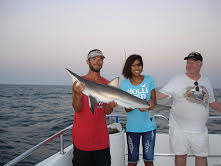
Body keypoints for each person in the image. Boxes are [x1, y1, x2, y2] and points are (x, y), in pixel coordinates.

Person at [156, 51, 221, 166]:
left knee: (201, 157)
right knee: (180, 155)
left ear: (200, 65)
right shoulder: (177, 79)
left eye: (193, 63)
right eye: (188, 62)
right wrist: (142, 94)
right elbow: (160, 95)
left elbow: (212, 102)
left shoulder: (206, 81)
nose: (189, 65)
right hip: (179, 129)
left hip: (200, 130)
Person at [71, 49, 118, 166]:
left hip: (101, 141)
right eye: (94, 58)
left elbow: (106, 111)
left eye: (100, 59)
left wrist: (111, 105)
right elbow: (77, 108)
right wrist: (77, 94)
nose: (98, 61)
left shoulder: (107, 84)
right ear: (87, 61)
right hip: (82, 141)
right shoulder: (79, 83)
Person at [120, 54, 156, 166]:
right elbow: (126, 109)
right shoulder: (124, 84)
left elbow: (154, 100)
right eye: (133, 65)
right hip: (132, 128)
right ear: (129, 67)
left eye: (139, 65)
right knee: (132, 162)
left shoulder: (149, 79)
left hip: (149, 127)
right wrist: (136, 106)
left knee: (149, 161)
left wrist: (151, 103)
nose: (137, 68)